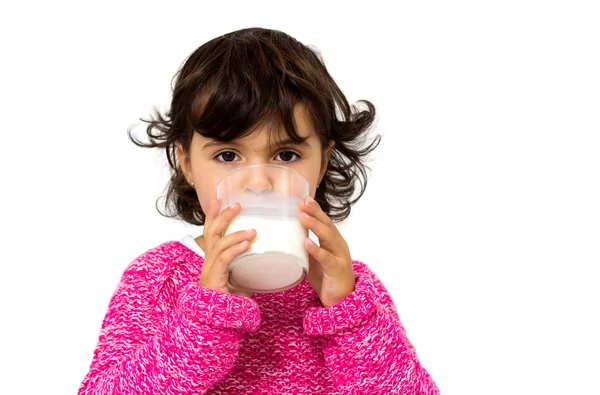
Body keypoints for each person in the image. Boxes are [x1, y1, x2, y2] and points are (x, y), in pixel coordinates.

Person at [78, 27, 439, 394]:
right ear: (186, 162)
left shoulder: (349, 289)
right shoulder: (159, 278)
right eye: (228, 155)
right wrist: (206, 318)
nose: (259, 182)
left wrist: (347, 314)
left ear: (323, 162)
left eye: (286, 155)